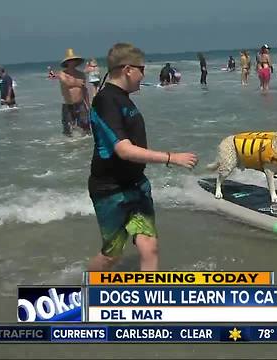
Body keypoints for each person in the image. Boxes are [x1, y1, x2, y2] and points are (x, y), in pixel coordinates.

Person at [87, 43, 198, 271]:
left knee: (150, 247)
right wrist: (171, 157)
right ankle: (83, 292)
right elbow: (124, 150)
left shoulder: (124, 98)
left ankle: (149, 299)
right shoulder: (105, 100)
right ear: (128, 69)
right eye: (141, 69)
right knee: (112, 255)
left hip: (136, 185)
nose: (143, 75)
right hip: (110, 190)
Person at [57, 48, 91, 136]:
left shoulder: (81, 74)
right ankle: (70, 147)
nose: (73, 62)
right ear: (67, 62)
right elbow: (66, 83)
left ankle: (85, 146)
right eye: (71, 60)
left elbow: (84, 90)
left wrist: (88, 105)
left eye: (74, 60)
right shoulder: (62, 74)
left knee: (86, 128)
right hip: (68, 104)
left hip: (80, 104)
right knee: (68, 129)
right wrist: (77, 82)